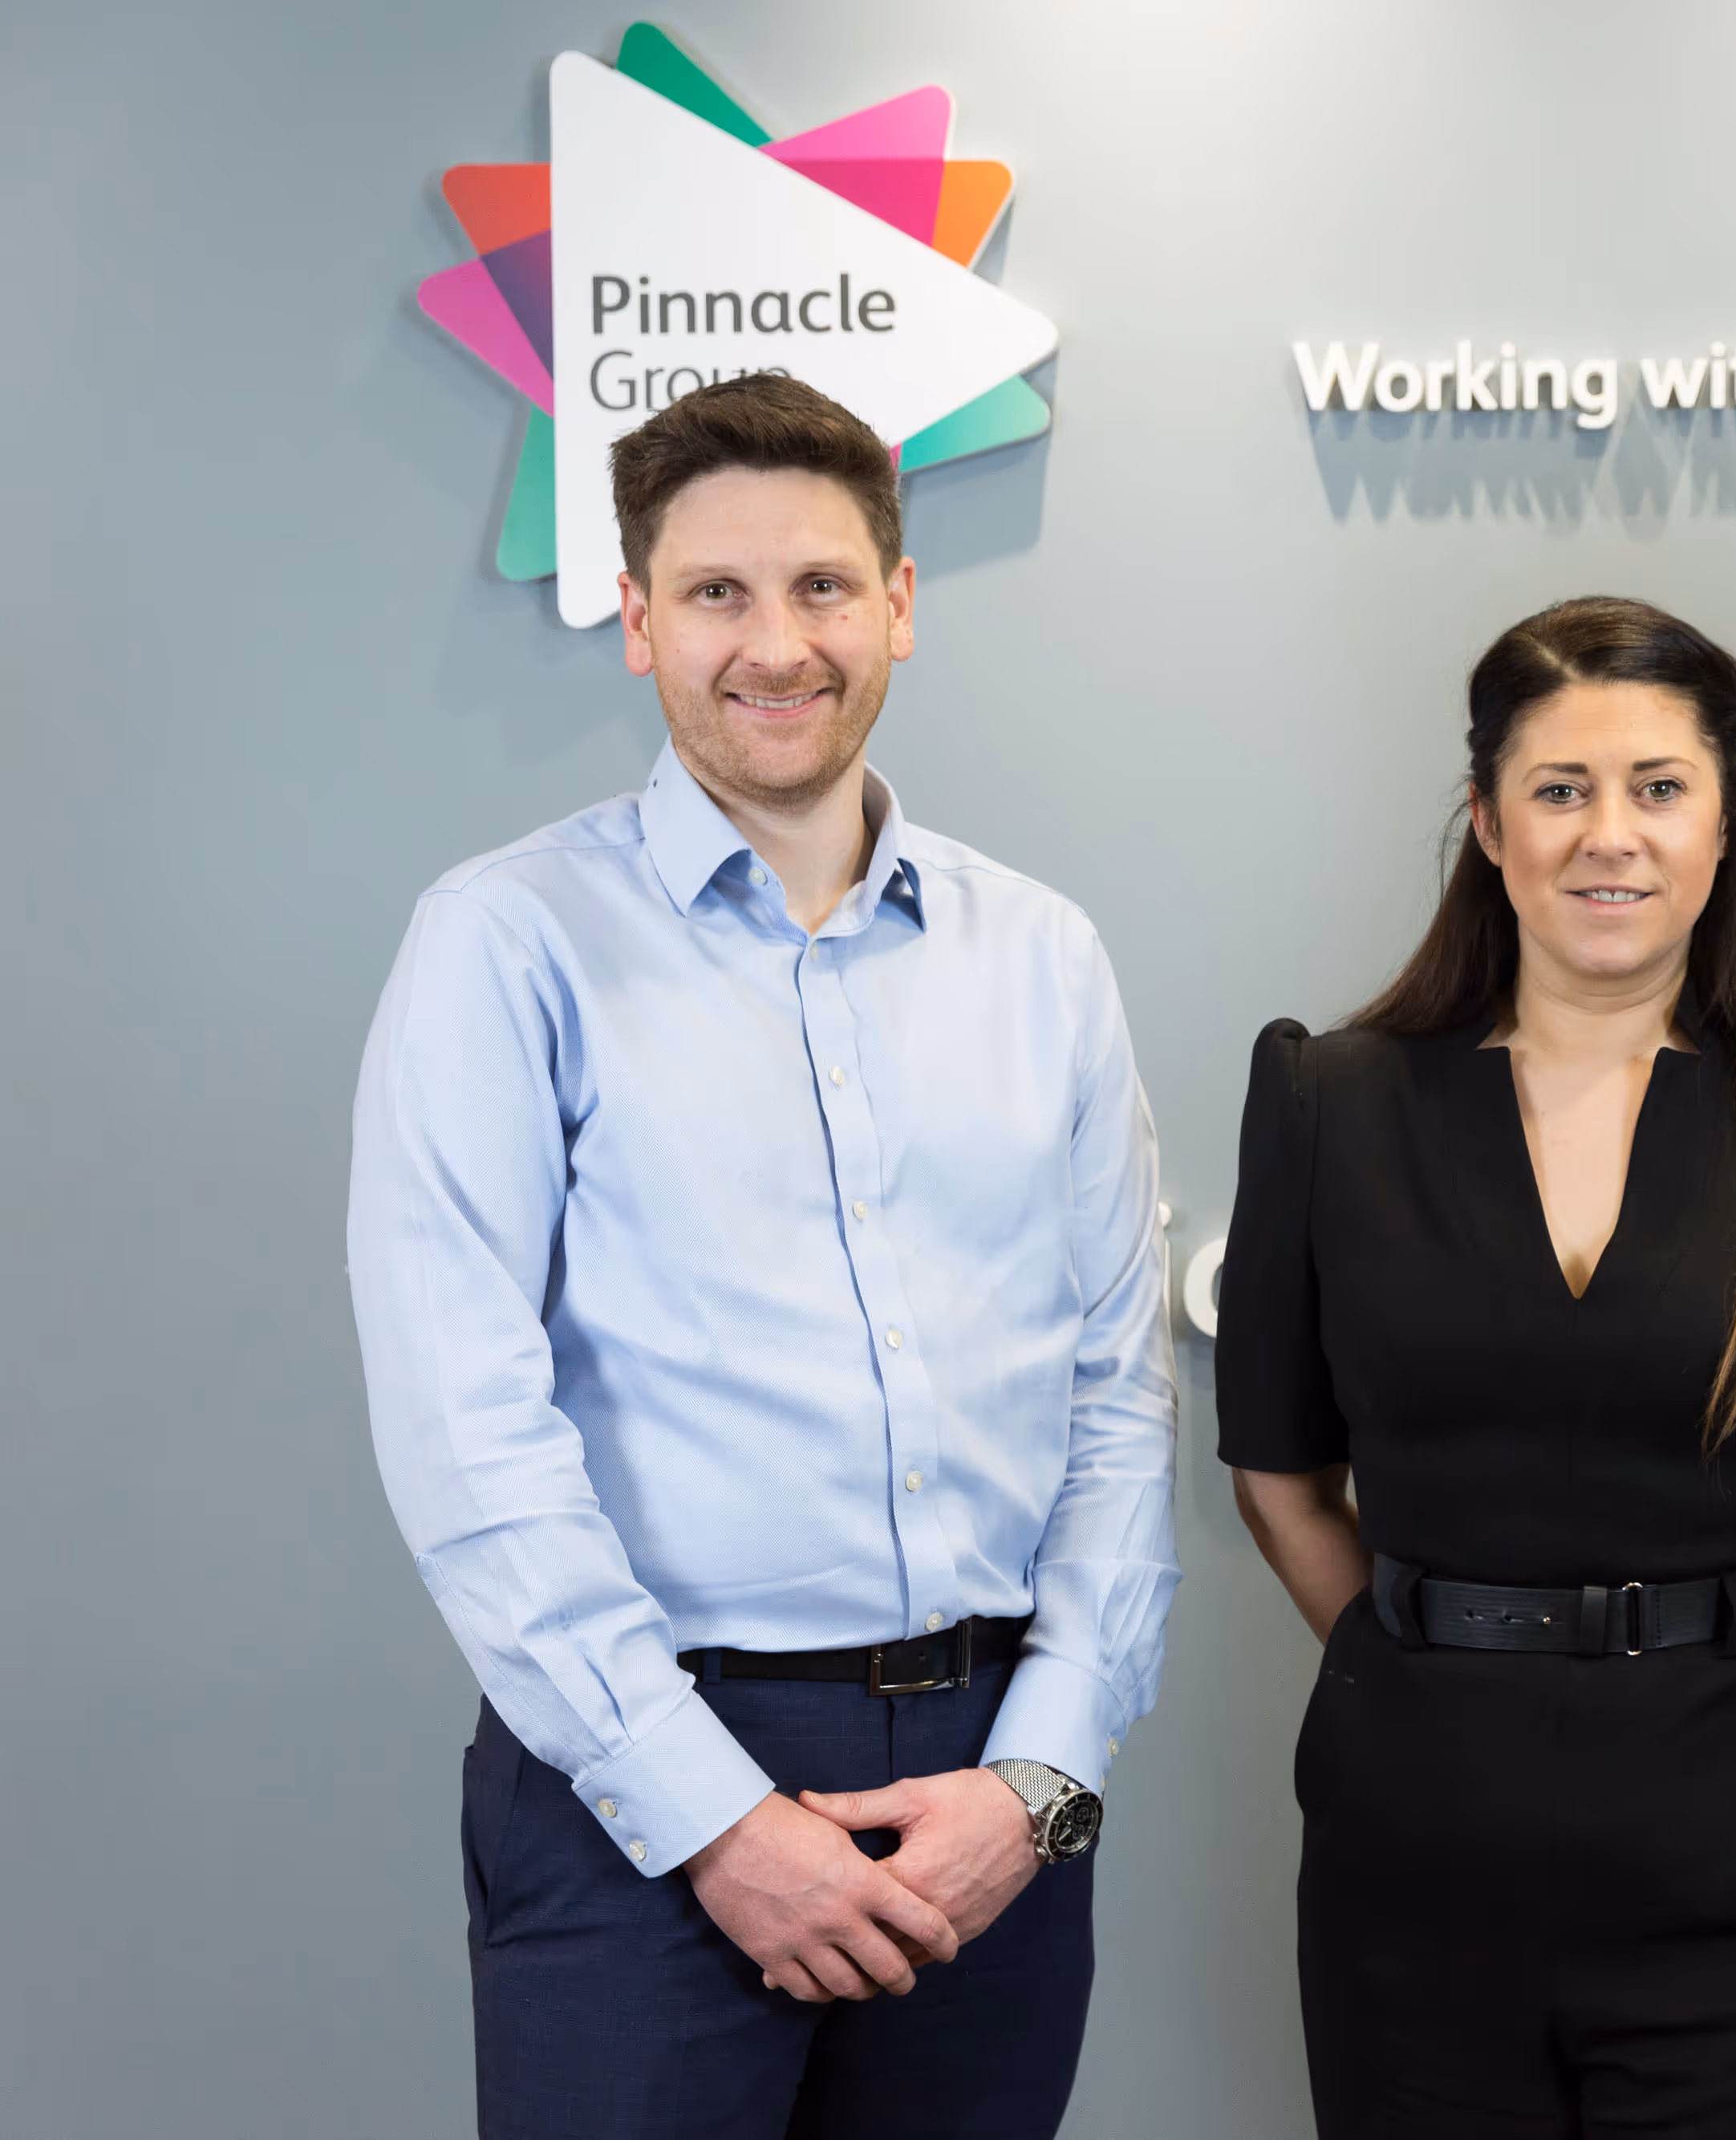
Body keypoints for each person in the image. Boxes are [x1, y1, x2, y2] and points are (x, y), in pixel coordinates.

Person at [347, 374, 1176, 2139]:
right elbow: (463, 1427)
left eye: (819, 586)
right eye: (716, 593)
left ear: (898, 604)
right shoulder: (506, 947)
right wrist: (710, 1818)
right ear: (638, 622)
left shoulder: (1041, 957)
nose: (773, 642)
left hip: (985, 1803)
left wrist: (1038, 1776)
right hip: (637, 1792)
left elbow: (1114, 1394)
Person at [1217, 595, 1736, 2138]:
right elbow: (1279, 1481)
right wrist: (1420, 1669)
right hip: (1414, 1865)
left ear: (1724, 825)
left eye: (1659, 786)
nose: (1612, 835)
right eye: (1560, 789)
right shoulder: (1331, 1100)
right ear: (1488, 826)